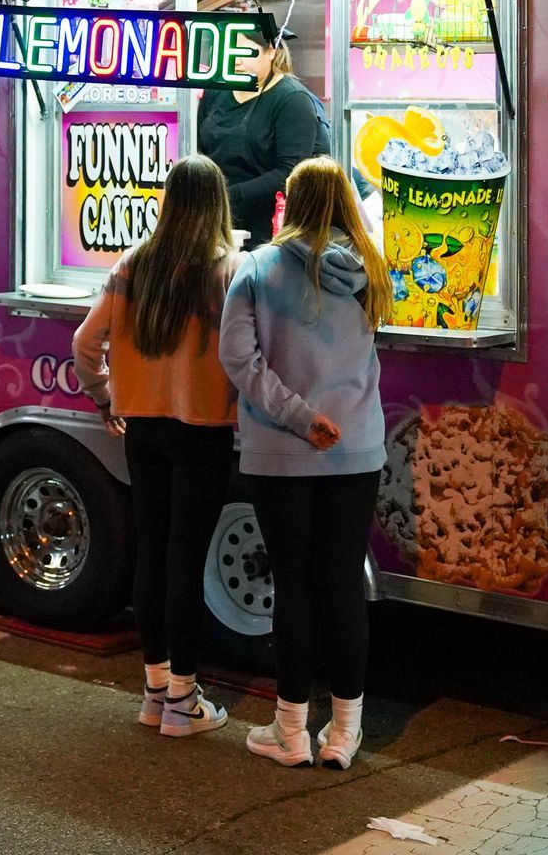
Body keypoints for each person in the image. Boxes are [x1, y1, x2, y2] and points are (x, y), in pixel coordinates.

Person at [219, 155, 390, 771]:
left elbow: (238, 359)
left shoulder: (257, 267)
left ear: (291, 203)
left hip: (280, 452)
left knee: (292, 585)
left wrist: (296, 417)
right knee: (342, 585)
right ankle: (344, 733)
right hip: (358, 449)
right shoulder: (371, 270)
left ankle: (291, 731)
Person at [72, 155, 241, 737]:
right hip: (204, 433)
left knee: (154, 554)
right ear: (217, 203)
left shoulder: (133, 264)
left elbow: (84, 341)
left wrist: (104, 394)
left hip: (143, 430)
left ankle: (155, 690)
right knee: (186, 563)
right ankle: (184, 701)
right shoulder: (227, 270)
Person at [198, 26, 331, 245]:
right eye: (230, 51)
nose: (236, 60)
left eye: (244, 51)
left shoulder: (293, 100)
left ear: (271, 51)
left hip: (268, 227)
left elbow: (289, 172)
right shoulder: (217, 89)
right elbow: (199, 145)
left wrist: (228, 196)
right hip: (213, 218)